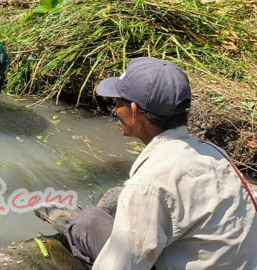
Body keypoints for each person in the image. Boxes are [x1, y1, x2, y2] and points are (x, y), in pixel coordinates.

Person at [67, 57, 257, 269]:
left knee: (86, 223)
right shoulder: (216, 153)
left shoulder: (149, 184)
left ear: (134, 110)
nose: (115, 110)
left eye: (118, 103)